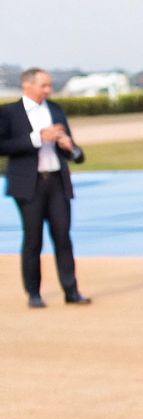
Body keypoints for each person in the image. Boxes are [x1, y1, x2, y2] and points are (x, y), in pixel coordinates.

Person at [1, 68, 90, 308]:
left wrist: (69, 146)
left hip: (57, 183)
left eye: (49, 85)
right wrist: (37, 138)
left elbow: (76, 154)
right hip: (29, 186)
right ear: (27, 85)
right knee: (33, 240)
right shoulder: (9, 113)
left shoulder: (56, 110)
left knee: (63, 237)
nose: (48, 90)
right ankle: (34, 293)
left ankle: (71, 291)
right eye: (44, 85)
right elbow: (2, 145)